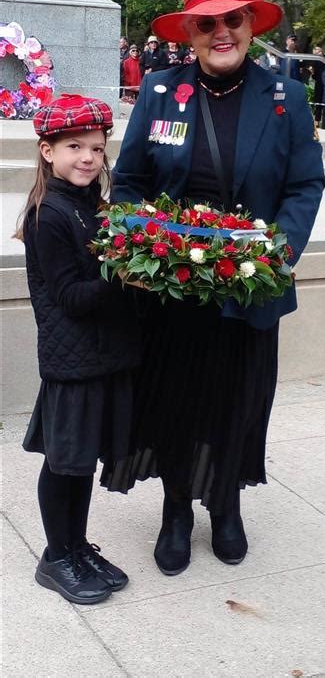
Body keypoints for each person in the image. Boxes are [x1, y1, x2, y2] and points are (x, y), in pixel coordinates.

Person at [108, 0, 325, 576]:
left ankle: (225, 503)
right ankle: (176, 508)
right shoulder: (158, 91)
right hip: (174, 292)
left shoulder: (286, 97)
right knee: (175, 399)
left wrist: (277, 251)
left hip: (250, 288)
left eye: (233, 19)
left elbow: (305, 184)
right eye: (208, 23)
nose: (221, 32)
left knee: (239, 401)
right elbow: (129, 182)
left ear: (251, 24)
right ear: (191, 31)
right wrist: (142, 239)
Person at [17, 95, 141, 604]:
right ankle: (55, 556)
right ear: (48, 152)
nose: (89, 157)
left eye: (97, 147)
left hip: (102, 356)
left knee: (82, 462)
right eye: (74, 147)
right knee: (64, 463)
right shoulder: (49, 214)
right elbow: (70, 296)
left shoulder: (93, 206)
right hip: (73, 363)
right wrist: (127, 276)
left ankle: (76, 545)